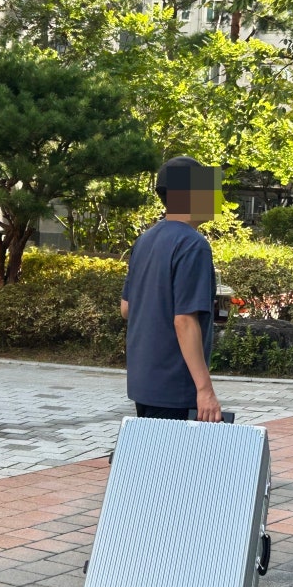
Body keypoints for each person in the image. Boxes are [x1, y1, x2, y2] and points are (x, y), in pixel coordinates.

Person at [120, 156, 223, 422]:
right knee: (172, 450)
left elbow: (126, 308)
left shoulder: (144, 240)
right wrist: (205, 389)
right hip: (175, 387)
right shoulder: (193, 245)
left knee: (151, 449)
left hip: (143, 382)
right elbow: (184, 320)